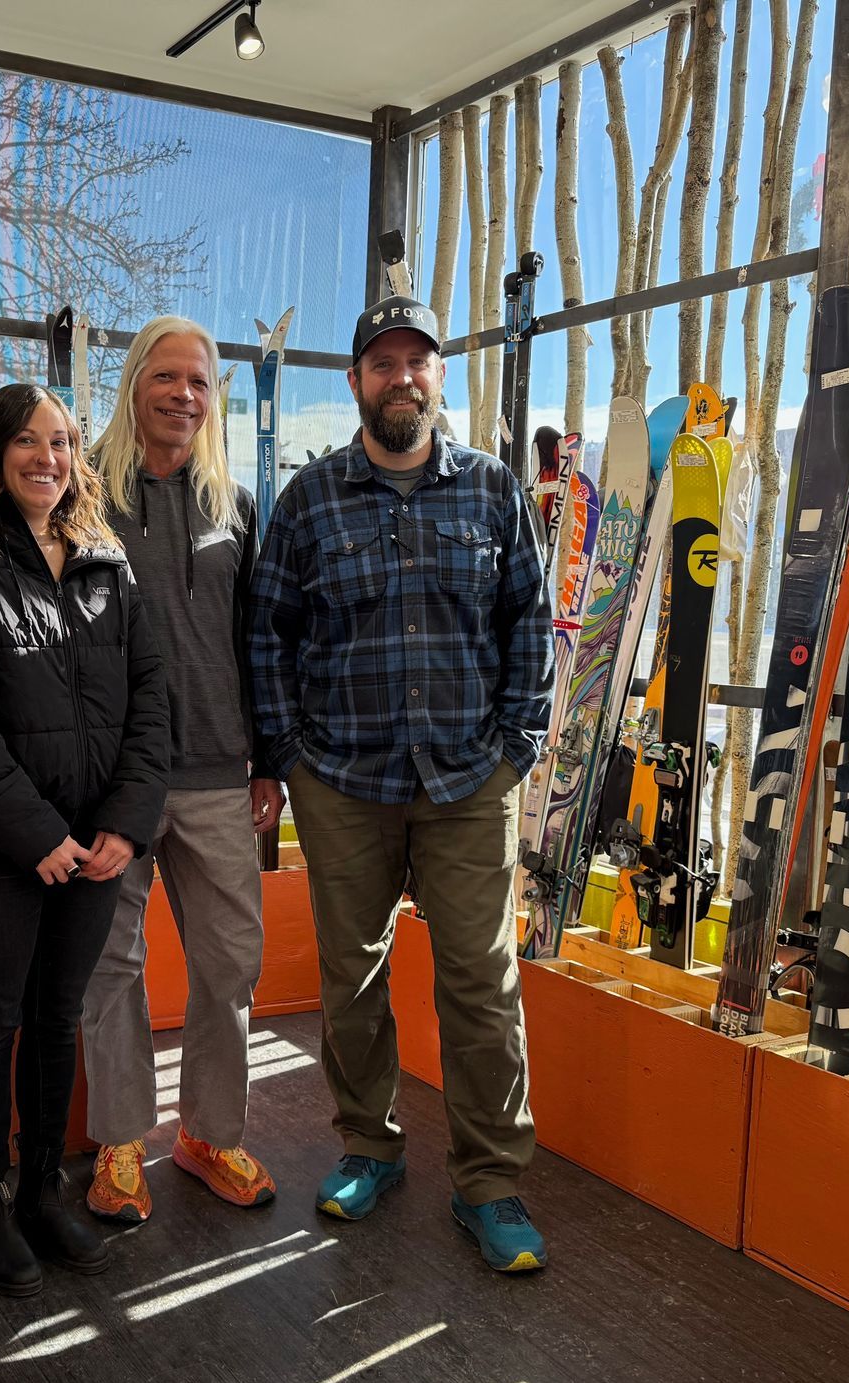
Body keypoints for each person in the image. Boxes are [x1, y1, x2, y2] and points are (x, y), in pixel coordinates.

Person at [246, 296, 554, 1272]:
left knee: (480, 983)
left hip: (470, 780)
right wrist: (288, 754)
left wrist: (518, 745)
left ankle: (490, 1182)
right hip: (342, 779)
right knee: (353, 977)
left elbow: (530, 628)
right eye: (383, 363)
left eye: (418, 361)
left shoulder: (495, 493)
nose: (402, 377)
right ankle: (369, 1147)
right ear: (356, 384)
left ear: (440, 376)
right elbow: (267, 634)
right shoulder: (310, 501)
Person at [0, 383, 169, 1296]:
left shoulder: (107, 560)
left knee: (59, 1019)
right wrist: (37, 835)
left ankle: (45, 1189)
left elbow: (150, 706)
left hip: (98, 851)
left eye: (61, 442)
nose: (47, 457)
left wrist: (124, 829)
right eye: (26, 440)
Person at [77, 317, 281, 1222]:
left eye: (199, 382)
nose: (183, 396)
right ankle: (120, 1140)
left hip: (216, 776)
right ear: (134, 386)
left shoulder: (233, 504)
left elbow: (261, 640)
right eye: (166, 378)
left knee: (229, 964)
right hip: (117, 782)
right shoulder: (84, 497)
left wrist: (268, 758)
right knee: (111, 967)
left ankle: (207, 1133)